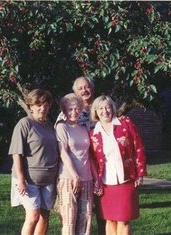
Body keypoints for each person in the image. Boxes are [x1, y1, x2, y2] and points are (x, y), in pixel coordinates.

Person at [89, 95, 147, 235]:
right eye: (100, 108)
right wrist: (96, 181)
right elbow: (93, 160)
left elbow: (138, 147)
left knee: (123, 220)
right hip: (106, 183)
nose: (105, 111)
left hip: (126, 179)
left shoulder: (125, 123)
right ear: (96, 112)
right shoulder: (93, 134)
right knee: (110, 220)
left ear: (113, 108)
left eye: (107, 107)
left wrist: (140, 172)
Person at [56, 76, 106, 235]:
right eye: (80, 88)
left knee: (87, 218)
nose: (85, 91)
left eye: (87, 87)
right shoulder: (62, 122)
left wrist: (95, 177)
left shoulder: (96, 113)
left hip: (91, 174)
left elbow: (89, 152)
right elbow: (62, 151)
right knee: (70, 219)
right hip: (70, 176)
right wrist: (75, 175)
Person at [8, 89, 59, 235]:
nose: (43, 108)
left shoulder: (50, 125)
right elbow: (16, 153)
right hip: (29, 179)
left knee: (44, 216)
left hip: (49, 179)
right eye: (38, 105)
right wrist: (21, 179)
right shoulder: (24, 123)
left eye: (46, 104)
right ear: (31, 106)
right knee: (33, 216)